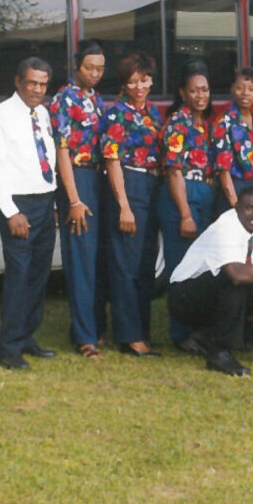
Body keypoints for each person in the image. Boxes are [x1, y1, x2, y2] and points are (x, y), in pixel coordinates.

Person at [169, 185, 253, 376]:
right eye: (249, 208)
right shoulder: (225, 226)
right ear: (237, 206)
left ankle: (205, 337)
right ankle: (219, 353)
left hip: (218, 290)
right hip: (185, 295)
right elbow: (236, 274)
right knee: (235, 283)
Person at [0, 57, 58, 371]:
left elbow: (47, 158)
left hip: (43, 200)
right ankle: (9, 347)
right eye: (32, 83)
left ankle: (27, 336)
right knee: (19, 275)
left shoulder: (42, 114)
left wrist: (51, 203)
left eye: (42, 84)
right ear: (18, 82)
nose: (37, 90)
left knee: (39, 275)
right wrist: (11, 212)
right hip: (16, 206)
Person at [47, 41, 107, 360]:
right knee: (81, 262)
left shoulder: (95, 99)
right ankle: (86, 339)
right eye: (89, 68)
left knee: (96, 261)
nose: (95, 73)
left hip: (98, 179)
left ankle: (92, 327)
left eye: (99, 68)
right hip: (78, 181)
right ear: (76, 66)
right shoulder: (63, 99)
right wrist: (73, 200)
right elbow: (62, 151)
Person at [102, 52, 162, 357]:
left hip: (152, 187)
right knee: (126, 264)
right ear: (124, 84)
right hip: (130, 185)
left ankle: (142, 331)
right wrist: (123, 205)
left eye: (144, 79)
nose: (140, 86)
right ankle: (128, 335)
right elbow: (112, 160)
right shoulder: (117, 114)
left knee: (144, 265)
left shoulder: (153, 114)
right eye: (133, 81)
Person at [157, 59, 216, 352]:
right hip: (183, 197)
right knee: (182, 267)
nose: (201, 96)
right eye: (194, 91)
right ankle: (180, 334)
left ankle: (195, 329)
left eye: (205, 90)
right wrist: (185, 215)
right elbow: (174, 171)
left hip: (203, 193)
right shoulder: (178, 123)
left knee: (199, 268)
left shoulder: (203, 124)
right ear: (183, 93)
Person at [212, 67, 253, 217]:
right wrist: (234, 204)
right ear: (232, 89)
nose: (245, 93)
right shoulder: (223, 121)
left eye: (251, 89)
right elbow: (223, 170)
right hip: (236, 186)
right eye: (239, 88)